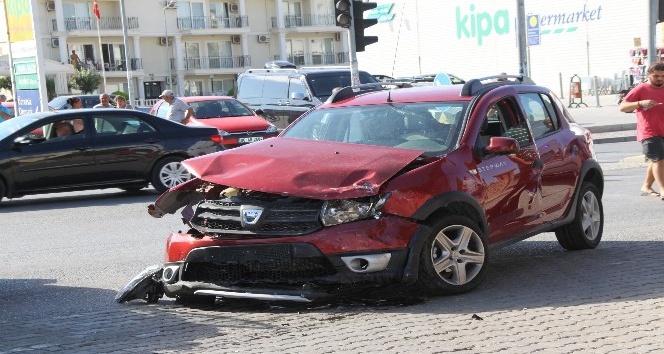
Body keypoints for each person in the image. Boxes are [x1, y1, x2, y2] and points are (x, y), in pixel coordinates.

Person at [619, 62, 664, 199]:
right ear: (648, 74)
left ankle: (646, 186)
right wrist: (640, 103)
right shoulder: (641, 89)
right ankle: (663, 189)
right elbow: (623, 107)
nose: (660, 79)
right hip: (649, 131)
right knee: (660, 160)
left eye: (662, 76)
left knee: (656, 160)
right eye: (656, 76)